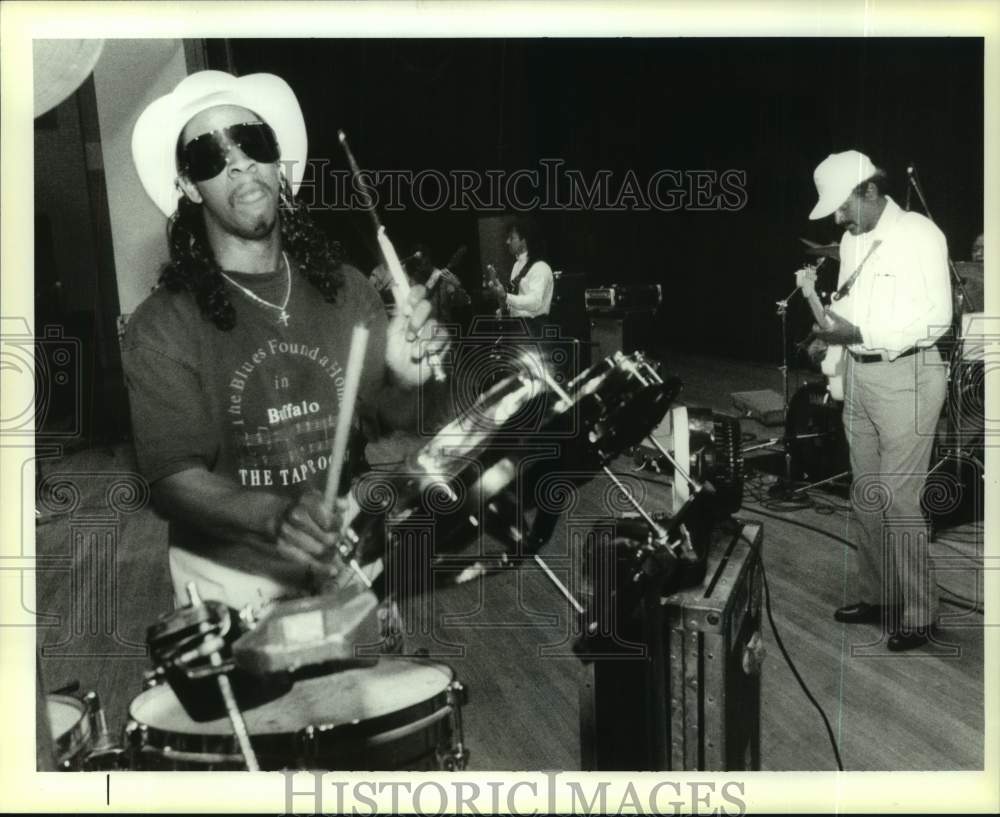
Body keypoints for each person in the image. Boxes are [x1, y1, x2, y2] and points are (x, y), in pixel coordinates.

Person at [124, 70, 443, 616]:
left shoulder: (348, 290)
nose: (239, 162)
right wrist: (275, 515)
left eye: (253, 142)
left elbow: (397, 417)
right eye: (209, 155)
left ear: (277, 163)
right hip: (232, 587)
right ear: (187, 185)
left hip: (349, 561)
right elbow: (175, 479)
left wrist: (409, 380)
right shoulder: (161, 325)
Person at [806, 150, 952, 651]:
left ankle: (919, 611)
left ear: (870, 190)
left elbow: (937, 319)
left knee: (898, 499)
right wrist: (828, 333)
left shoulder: (921, 234)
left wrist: (861, 330)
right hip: (862, 377)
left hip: (909, 375)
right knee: (866, 493)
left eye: (843, 205)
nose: (838, 216)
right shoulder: (851, 242)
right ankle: (880, 594)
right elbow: (849, 303)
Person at [485, 216, 554, 336]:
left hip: (535, 331)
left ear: (524, 241)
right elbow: (516, 301)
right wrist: (504, 310)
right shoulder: (517, 265)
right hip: (518, 330)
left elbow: (535, 302)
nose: (507, 242)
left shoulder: (540, 267)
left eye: (511, 238)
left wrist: (505, 296)